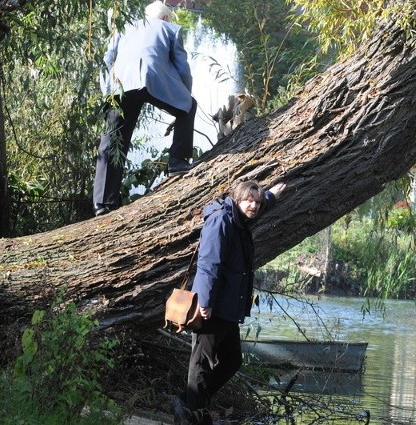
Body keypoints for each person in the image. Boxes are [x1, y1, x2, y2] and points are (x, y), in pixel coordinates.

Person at [172, 180, 286, 425]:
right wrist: (205, 301)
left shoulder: (240, 218)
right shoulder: (221, 220)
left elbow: (256, 204)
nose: (254, 206)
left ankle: (188, 401)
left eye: (257, 202)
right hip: (213, 306)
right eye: (249, 201)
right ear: (237, 200)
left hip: (228, 307)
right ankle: (193, 414)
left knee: (232, 360)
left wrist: (271, 196)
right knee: (201, 362)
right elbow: (208, 262)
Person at [93, 1, 196, 216]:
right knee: (189, 106)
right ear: (166, 18)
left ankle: (103, 203)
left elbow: (107, 58)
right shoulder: (171, 29)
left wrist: (107, 90)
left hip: (120, 85)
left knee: (112, 138)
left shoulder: (125, 26)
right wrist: (185, 95)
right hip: (153, 79)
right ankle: (177, 162)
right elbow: (182, 67)